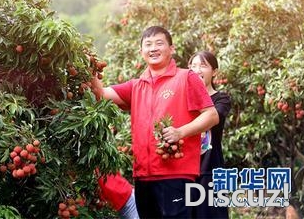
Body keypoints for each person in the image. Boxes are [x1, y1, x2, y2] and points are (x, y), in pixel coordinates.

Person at [91, 26, 219, 219]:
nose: (153, 49)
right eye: (148, 45)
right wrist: (90, 69)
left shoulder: (186, 77)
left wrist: (180, 132)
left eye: (159, 43)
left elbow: (211, 115)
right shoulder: (136, 85)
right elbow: (101, 95)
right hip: (143, 176)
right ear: (141, 51)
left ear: (172, 48)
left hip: (177, 174)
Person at [188, 51, 231, 219]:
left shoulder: (222, 99)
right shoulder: (182, 99)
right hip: (185, 170)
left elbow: (213, 118)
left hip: (211, 169)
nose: (197, 70)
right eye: (193, 66)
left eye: (203, 65)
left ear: (214, 72)